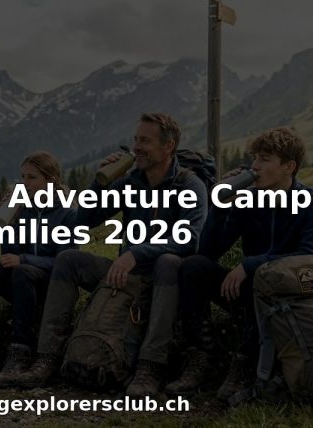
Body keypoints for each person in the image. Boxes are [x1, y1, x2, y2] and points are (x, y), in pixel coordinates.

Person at [17, 113, 208, 397]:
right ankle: (48, 356)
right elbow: (83, 220)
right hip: (125, 274)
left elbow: (190, 239)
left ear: (168, 146)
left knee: (168, 262)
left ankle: (150, 366)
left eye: (145, 141)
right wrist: (100, 183)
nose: (137, 147)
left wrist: (137, 253)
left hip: (162, 279)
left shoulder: (189, 185)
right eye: (136, 139)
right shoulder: (131, 183)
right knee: (69, 259)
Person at [169, 127, 313, 399]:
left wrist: (250, 265)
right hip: (249, 292)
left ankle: (245, 362)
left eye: (264, 159)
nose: (255, 166)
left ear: (289, 167)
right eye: (254, 158)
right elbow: (208, 251)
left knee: (261, 283)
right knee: (194, 266)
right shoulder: (248, 200)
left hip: (289, 297)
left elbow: (310, 258)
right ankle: (202, 355)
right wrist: (221, 205)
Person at [0, 151, 77, 387]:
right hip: (22, 282)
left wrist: (24, 260)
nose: (24, 183)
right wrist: (11, 221)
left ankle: (21, 350)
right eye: (22, 177)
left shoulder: (67, 214)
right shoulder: (24, 211)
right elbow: (10, 252)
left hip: (51, 284)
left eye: (32, 177)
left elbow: (65, 262)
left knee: (21, 271)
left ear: (50, 181)